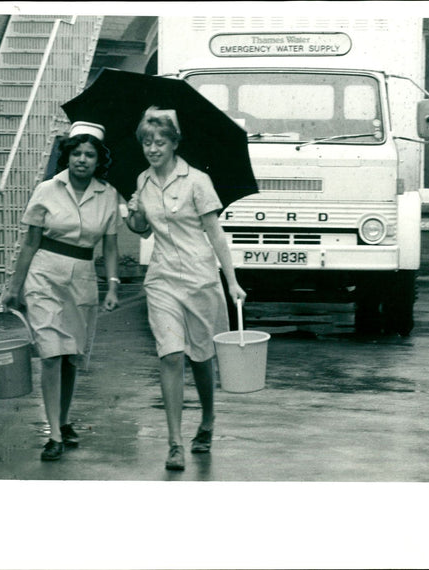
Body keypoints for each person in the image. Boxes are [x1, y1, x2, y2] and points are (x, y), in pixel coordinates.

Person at [126, 106, 247, 471]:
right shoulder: (142, 182)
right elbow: (144, 231)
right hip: (162, 279)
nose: (152, 148)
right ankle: (175, 442)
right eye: (147, 142)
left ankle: (208, 419)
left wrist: (233, 281)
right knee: (171, 355)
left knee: (200, 358)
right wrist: (134, 217)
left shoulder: (196, 181)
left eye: (159, 142)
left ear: (174, 143)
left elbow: (215, 234)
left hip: (199, 279)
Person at [0, 121, 121, 461]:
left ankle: (64, 420)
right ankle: (53, 433)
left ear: (99, 161)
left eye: (90, 155)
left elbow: (110, 247)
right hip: (44, 276)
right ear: (67, 156)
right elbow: (30, 243)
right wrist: (14, 287)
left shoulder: (108, 194)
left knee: (71, 356)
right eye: (76, 153)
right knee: (51, 353)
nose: (82, 160)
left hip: (82, 279)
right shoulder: (47, 190)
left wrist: (112, 285)